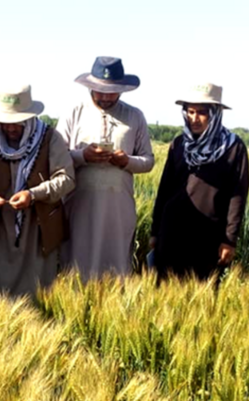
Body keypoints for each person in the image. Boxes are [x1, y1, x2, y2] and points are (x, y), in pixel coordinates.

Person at [0, 85, 75, 297]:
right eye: (5, 124)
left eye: (16, 124)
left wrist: (34, 195)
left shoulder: (50, 138)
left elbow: (67, 179)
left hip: (37, 232)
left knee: (36, 293)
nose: (10, 129)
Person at [57, 56, 154, 280]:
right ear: (90, 87)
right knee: (77, 266)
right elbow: (57, 157)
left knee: (116, 267)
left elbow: (148, 161)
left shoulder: (135, 116)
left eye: (111, 92)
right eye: (100, 90)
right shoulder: (74, 113)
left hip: (118, 208)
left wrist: (126, 161)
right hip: (80, 206)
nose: (105, 96)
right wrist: (83, 156)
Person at [150, 82, 249, 281]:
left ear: (215, 114)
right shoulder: (179, 144)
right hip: (171, 234)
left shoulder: (233, 148)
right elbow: (164, 190)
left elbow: (237, 196)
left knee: (203, 299)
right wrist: (155, 231)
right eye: (190, 111)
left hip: (208, 238)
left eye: (202, 113)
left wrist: (229, 240)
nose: (194, 119)